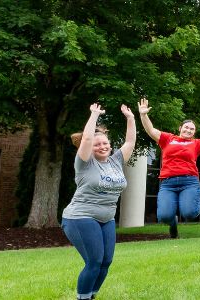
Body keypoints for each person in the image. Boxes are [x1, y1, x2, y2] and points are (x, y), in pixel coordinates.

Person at [61, 103, 136, 300]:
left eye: (105, 143)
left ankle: (90, 295)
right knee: (94, 262)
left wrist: (130, 118)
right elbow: (87, 138)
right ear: (90, 148)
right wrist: (94, 114)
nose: (102, 147)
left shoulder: (115, 161)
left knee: (105, 262)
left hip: (107, 219)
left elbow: (130, 142)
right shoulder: (84, 163)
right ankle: (83, 298)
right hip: (80, 217)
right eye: (97, 145)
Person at [138, 96, 200, 239]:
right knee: (164, 216)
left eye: (192, 129)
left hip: (189, 182)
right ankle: (173, 223)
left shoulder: (197, 143)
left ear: (194, 132)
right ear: (180, 128)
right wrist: (143, 115)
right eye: (186, 127)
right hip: (168, 183)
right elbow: (151, 130)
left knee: (189, 213)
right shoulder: (168, 139)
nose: (188, 130)